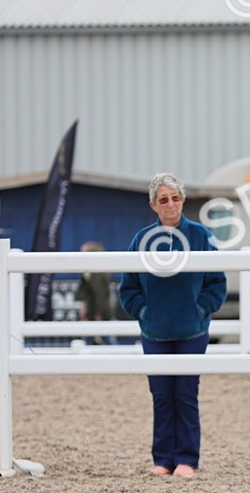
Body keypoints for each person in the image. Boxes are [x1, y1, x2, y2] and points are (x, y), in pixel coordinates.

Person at [119, 173, 226, 477]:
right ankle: (162, 459)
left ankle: (187, 459)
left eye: (175, 197)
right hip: (155, 331)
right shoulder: (140, 240)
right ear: (153, 205)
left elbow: (217, 283)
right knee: (162, 394)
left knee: (186, 393)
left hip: (193, 330)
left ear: (183, 200)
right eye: (163, 199)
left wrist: (200, 309)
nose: (170, 204)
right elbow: (128, 287)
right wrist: (144, 311)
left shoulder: (201, 236)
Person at [76, 241, 115, 344]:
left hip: (100, 315)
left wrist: (98, 317)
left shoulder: (99, 273)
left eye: (83, 253)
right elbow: (84, 293)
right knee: (89, 342)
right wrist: (84, 310)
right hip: (91, 315)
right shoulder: (87, 272)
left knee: (109, 342)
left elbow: (99, 297)